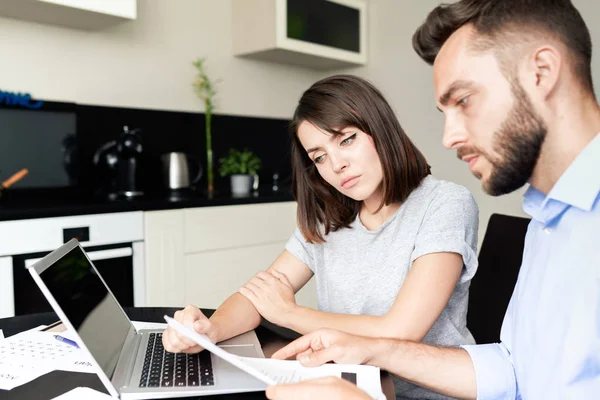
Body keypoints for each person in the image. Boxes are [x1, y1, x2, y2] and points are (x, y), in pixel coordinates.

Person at [264, 0, 600, 399]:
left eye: (464, 101)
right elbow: (514, 371)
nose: (448, 137)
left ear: (541, 72)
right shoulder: (550, 223)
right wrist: (372, 349)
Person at [162, 75, 480, 399]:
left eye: (346, 140)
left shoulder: (445, 204)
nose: (337, 165)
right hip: (346, 387)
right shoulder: (327, 217)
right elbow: (261, 294)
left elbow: (400, 332)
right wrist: (208, 330)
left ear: (380, 128)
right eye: (319, 157)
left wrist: (289, 313)